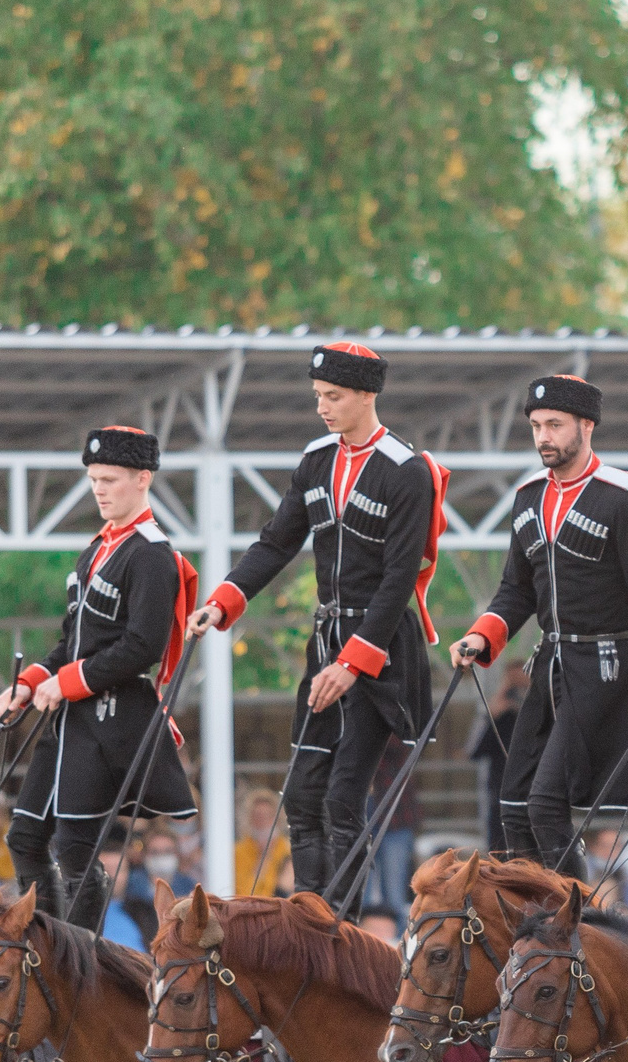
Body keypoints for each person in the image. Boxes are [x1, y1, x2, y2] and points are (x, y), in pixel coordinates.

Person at [189, 343, 445, 913]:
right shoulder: (315, 460)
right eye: (317, 397)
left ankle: (344, 928)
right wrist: (224, 600)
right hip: (325, 641)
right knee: (302, 795)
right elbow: (277, 540)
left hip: (378, 651)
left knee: (341, 796)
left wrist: (353, 664)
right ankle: (308, 916)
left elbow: (399, 579)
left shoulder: (406, 471)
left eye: (333, 397)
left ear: (366, 395)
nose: (322, 408)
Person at [452, 374, 628, 874]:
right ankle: (538, 921)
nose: (543, 437)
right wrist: (480, 635)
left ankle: (576, 925)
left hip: (606, 666)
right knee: (512, 806)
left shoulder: (626, 496)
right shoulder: (528, 496)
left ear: (586, 425)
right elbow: (516, 589)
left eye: (554, 424)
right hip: (550, 664)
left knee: (544, 805)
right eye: (535, 426)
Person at [0, 426, 201, 930]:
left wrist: (66, 683)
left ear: (142, 479)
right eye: (93, 479)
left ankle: (77, 958)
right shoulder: (96, 550)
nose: (99, 489)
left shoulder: (153, 553)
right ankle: (46, 944)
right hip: (68, 722)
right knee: (22, 837)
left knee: (76, 851)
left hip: (109, 722)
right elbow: (74, 638)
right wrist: (29, 682)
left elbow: (143, 647)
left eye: (109, 478)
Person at [467, 661, 529, 854]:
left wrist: (529, 703)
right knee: (500, 853)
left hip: (534, 796)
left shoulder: (540, 714)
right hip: (502, 797)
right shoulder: (501, 716)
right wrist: (492, 714)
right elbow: (473, 750)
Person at [366, 736, 423, 918]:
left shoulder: (394, 715)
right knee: (360, 891)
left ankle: (398, 941)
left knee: (394, 893)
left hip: (396, 813)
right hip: (361, 809)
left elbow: (402, 744)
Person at [233, 787, 291, 898]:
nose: (263, 822)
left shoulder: (287, 849)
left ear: (277, 819)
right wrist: (263, 859)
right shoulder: (238, 851)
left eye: (267, 816)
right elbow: (243, 894)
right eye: (258, 816)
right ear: (249, 819)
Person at [100, 843, 154, 950]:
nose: (111, 876)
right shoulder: (80, 913)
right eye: (105, 870)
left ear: (128, 873)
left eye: (117, 869)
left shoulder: (145, 911)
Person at [137, 826, 199, 898]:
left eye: (168, 851)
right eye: (154, 852)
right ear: (144, 855)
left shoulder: (188, 886)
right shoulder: (131, 884)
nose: (161, 856)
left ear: (177, 854)